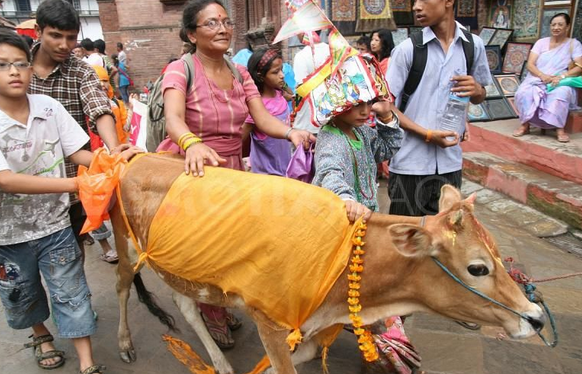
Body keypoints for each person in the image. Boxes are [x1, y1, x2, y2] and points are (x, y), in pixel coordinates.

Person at [161, 0, 314, 348]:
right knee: (204, 245)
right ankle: (208, 307)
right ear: (191, 34)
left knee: (234, 244)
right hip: (194, 167)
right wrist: (192, 144)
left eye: (226, 22)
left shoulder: (240, 72)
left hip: (231, 170)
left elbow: (260, 118)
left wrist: (291, 133)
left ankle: (218, 302)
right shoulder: (179, 70)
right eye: (211, 23)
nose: (223, 28)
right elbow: (173, 118)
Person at [0, 29, 138, 374]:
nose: (14, 72)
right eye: (2, 65)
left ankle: (86, 362)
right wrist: (75, 184)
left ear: (31, 68)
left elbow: (78, 152)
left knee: (71, 289)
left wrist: (114, 162)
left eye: (20, 63)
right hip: (7, 235)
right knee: (23, 293)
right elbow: (4, 179)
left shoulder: (48, 107)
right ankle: (41, 334)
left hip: (56, 223)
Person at [385, 0, 491, 217]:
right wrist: (428, 134)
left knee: (446, 242)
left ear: (448, 2)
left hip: (450, 165)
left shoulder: (473, 46)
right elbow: (386, 107)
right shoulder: (407, 50)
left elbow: (481, 96)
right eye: (414, 2)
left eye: (424, 0)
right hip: (409, 165)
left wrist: (477, 89)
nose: (416, 7)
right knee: (406, 242)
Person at [29, 0, 120, 248]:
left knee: (70, 258)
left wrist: (114, 150)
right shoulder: (16, 68)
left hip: (70, 188)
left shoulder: (81, 71)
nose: (64, 45)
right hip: (22, 185)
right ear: (38, 31)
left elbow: (99, 109)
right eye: (55, 36)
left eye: (71, 38)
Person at [512, 13, 582, 143]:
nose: (556, 27)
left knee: (561, 93)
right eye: (553, 24)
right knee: (523, 93)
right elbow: (530, 64)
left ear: (567, 26)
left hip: (558, 81)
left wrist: (561, 77)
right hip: (537, 78)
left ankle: (559, 128)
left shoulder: (574, 44)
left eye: (560, 24)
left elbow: (579, 67)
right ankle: (525, 124)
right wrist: (542, 75)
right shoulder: (541, 43)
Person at [243, 48, 292, 175]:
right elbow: (240, 138)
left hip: (286, 167)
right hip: (266, 173)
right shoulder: (256, 106)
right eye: (275, 72)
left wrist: (283, 83)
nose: (281, 75)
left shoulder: (279, 94)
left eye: (282, 70)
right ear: (260, 76)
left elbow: (291, 95)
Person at [292, 31, 330, 134]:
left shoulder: (301, 56)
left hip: (308, 122)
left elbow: (301, 89)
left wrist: (294, 110)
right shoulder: (332, 51)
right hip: (330, 118)